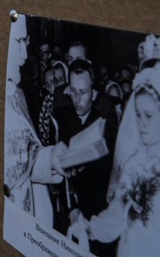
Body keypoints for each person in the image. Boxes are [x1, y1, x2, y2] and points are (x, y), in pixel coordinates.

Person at [67, 65, 160, 255]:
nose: (141, 124)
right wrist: (89, 228)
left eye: (149, 116)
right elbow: (116, 216)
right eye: (137, 114)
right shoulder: (135, 164)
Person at [4, 16, 67, 225]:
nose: (24, 56)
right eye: (18, 42)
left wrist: (52, 158)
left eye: (26, 42)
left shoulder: (16, 93)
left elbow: (27, 155)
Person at [56, 59, 120, 250]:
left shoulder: (106, 128)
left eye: (83, 92)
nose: (77, 99)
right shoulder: (64, 124)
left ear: (94, 93)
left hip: (100, 217)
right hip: (72, 215)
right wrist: (72, 209)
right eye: (73, 92)